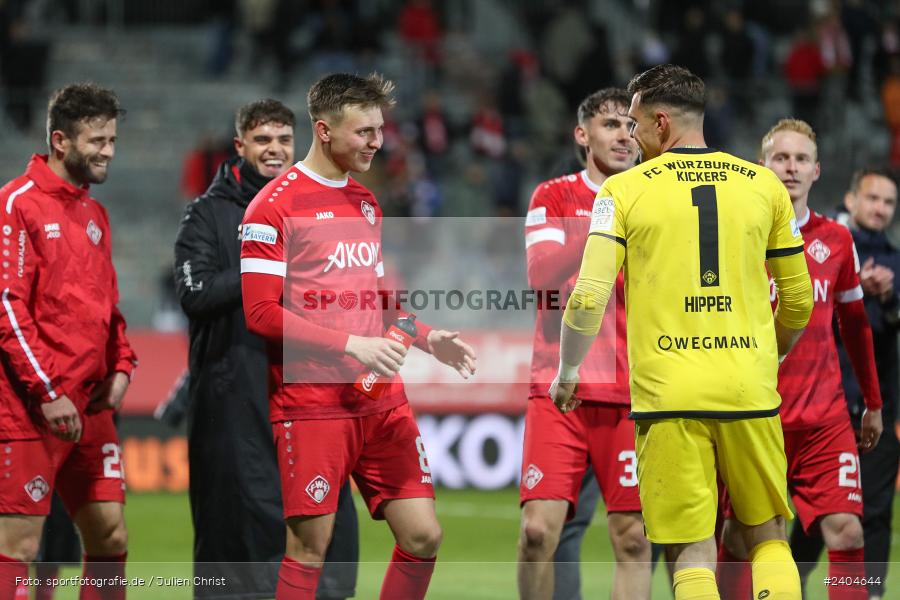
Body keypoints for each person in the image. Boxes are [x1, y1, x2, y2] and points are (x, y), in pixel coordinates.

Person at [551, 64, 814, 600]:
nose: (630, 134)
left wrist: (569, 371)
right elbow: (800, 301)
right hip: (748, 388)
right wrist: (770, 355)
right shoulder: (763, 185)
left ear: (662, 123)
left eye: (635, 122)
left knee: (692, 550)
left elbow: (587, 296)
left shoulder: (622, 192)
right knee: (767, 537)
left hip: (668, 396)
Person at [239, 73, 477, 600]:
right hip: (312, 402)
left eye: (379, 130)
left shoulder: (366, 202)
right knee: (310, 548)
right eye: (364, 131)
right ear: (323, 131)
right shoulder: (271, 208)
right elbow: (259, 313)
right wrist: (352, 345)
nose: (377, 142)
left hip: (379, 398)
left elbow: (379, 295)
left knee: (423, 535)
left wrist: (428, 335)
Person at [174, 99, 360, 600]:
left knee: (321, 517)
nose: (274, 150)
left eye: (282, 140)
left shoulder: (318, 203)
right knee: (236, 523)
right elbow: (194, 294)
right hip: (235, 392)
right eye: (262, 140)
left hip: (308, 387)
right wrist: (265, 268)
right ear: (240, 147)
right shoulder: (208, 214)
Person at [718, 120, 883, 600]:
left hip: (823, 419)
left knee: (848, 533)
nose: (790, 167)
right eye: (780, 158)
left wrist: (872, 401)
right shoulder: (736, 238)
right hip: (754, 415)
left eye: (800, 159)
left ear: (816, 170)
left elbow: (855, 325)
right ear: (760, 166)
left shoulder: (836, 239)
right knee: (738, 539)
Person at [0, 83, 136, 599]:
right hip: (29, 407)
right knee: (19, 546)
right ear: (60, 140)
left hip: (90, 405)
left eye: (112, 140)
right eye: (97, 140)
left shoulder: (93, 213)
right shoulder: (16, 204)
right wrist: (46, 390)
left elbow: (109, 308)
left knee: (110, 532)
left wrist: (122, 367)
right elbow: (7, 306)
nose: (108, 152)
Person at [518, 87, 649, 600]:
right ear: (583, 135)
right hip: (559, 388)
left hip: (631, 392)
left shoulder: (656, 201)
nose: (623, 136)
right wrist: (603, 220)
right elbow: (542, 278)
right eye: (611, 125)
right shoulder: (553, 196)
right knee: (536, 533)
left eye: (630, 127)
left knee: (635, 540)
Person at [789, 167, 900, 600]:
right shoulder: (826, 245)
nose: (880, 209)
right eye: (873, 199)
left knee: (868, 515)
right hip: (814, 402)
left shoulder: (893, 264)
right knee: (809, 516)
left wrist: (888, 299)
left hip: (875, 409)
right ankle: (788, 581)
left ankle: (868, 592)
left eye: (889, 203)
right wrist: (853, 287)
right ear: (851, 201)